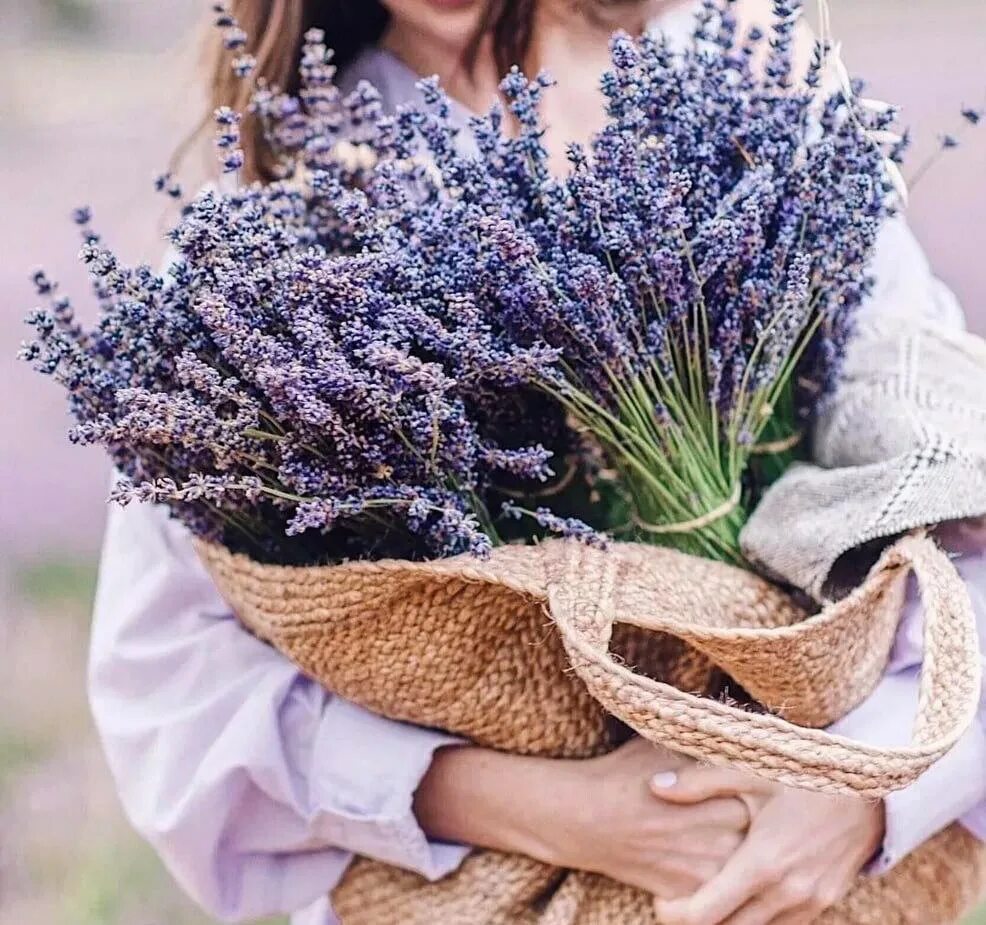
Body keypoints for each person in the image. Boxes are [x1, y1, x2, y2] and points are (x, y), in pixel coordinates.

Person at [88, 1, 986, 923]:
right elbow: (172, 685)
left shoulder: (743, 91)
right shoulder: (269, 218)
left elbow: (946, 474)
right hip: (484, 881)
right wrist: (562, 812)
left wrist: (867, 790)